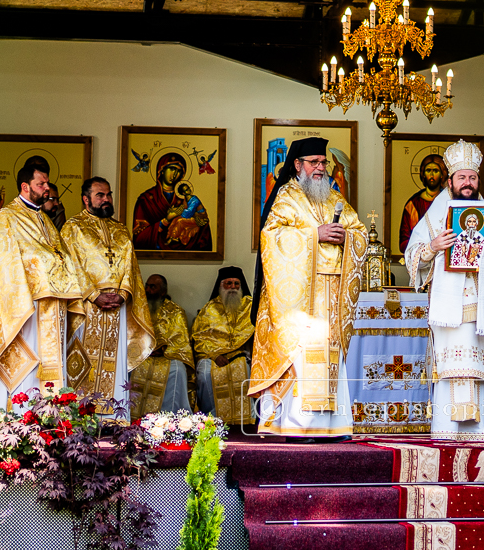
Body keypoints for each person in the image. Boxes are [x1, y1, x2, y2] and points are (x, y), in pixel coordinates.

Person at [0, 158, 89, 409]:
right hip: (22, 312)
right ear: (25, 186)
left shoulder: (45, 221)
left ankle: (47, 420)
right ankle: (16, 419)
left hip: (51, 311)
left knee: (47, 368)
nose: (46, 188)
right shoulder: (6, 219)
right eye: (41, 183)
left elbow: (59, 257)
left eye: (47, 183)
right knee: (26, 366)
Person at [249, 137, 370, 439]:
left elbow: (359, 231)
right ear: (298, 165)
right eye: (314, 162)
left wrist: (350, 239)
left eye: (323, 162)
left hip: (331, 292)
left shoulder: (332, 197)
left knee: (330, 356)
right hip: (298, 297)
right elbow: (270, 239)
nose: (320, 168)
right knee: (301, 356)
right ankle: (295, 424)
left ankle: (332, 425)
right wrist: (314, 234)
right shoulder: (286, 197)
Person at [403, 140, 484, 437]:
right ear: (450, 180)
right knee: (452, 370)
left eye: (473, 178)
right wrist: (432, 247)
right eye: (462, 178)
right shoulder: (435, 214)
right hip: (449, 309)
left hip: (481, 307)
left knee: (480, 371)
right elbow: (412, 255)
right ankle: (448, 428)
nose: (468, 183)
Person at [59, 175, 151, 416]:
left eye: (108, 194)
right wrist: (93, 294)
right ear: (86, 199)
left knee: (115, 363)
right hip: (87, 307)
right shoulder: (73, 227)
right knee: (82, 362)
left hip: (117, 308)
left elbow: (131, 266)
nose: (106, 199)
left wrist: (122, 294)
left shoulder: (121, 230)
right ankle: (81, 419)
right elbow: (71, 266)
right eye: (100, 195)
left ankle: (114, 418)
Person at [191, 267, 254, 426]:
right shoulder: (209, 308)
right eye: (228, 283)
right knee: (205, 373)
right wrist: (215, 355)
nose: (233, 287)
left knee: (245, 369)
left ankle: (245, 419)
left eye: (236, 284)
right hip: (212, 356)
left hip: (241, 354)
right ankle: (210, 419)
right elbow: (199, 336)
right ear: (220, 286)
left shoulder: (250, 306)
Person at [132, 273, 196, 417]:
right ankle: (130, 414)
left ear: (163, 292)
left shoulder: (176, 312)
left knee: (178, 370)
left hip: (166, 356)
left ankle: (172, 416)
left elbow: (181, 339)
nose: (147, 290)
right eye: (147, 286)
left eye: (152, 287)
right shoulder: (138, 310)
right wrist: (145, 348)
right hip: (142, 354)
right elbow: (131, 333)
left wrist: (164, 348)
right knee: (128, 367)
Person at [132, 153, 212, 251]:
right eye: (172, 169)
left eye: (178, 171)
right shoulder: (146, 200)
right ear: (161, 170)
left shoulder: (182, 201)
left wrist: (199, 219)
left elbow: (199, 221)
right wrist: (166, 220)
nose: (174, 174)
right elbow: (139, 238)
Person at [397, 153, 447, 247]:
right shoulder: (413, 204)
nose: (431, 175)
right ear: (423, 174)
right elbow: (404, 240)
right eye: (428, 171)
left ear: (442, 174)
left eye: (435, 171)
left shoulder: (447, 201)